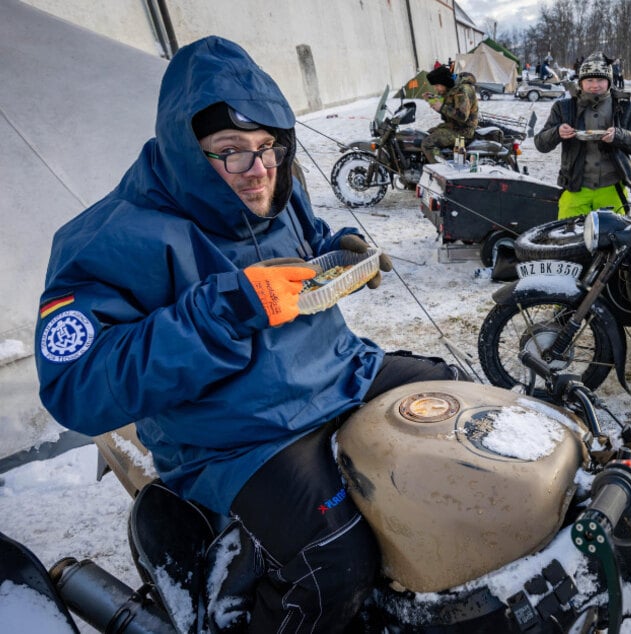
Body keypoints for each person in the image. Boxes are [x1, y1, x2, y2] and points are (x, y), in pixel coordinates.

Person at [35, 36, 464, 632]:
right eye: (230, 151)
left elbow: (303, 246)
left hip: (340, 372)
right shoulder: (107, 240)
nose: (258, 169)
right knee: (332, 561)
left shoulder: (273, 191)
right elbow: (76, 388)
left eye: (268, 148)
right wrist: (227, 308)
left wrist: (335, 251)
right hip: (237, 435)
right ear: (187, 149)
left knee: (464, 410)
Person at [534, 51, 631, 219]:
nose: (595, 85)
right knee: (567, 240)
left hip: (612, 190)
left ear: (609, 81)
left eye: (600, 80)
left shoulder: (628, 108)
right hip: (575, 189)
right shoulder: (563, 108)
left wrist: (619, 136)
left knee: (613, 242)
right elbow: (540, 144)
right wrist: (557, 132)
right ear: (581, 82)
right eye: (589, 80)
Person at [421, 65, 479, 163]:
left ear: (444, 82)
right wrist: (433, 100)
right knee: (424, 134)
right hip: (454, 127)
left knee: (428, 143)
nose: (436, 89)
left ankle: (442, 171)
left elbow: (462, 116)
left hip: (464, 131)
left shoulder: (462, 90)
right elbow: (449, 107)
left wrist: (442, 107)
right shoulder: (451, 89)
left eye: (437, 85)